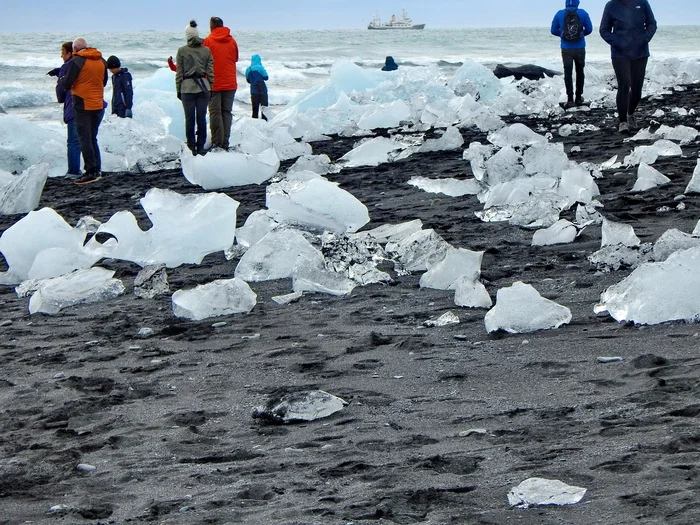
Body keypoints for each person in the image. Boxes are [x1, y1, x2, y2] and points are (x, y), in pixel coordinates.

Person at [600, 0, 657, 133]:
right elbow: (604, 30)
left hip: (640, 52)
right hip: (620, 53)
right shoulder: (611, 5)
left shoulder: (642, 3)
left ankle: (630, 114)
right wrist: (618, 42)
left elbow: (652, 24)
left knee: (637, 89)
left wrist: (644, 39)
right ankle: (623, 122)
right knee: (624, 84)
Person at [60, 37, 107, 185]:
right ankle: (97, 169)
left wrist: (61, 78)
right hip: (98, 103)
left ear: (75, 49)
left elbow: (67, 84)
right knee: (92, 138)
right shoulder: (101, 60)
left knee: (84, 138)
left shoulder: (76, 61)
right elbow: (104, 82)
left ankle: (90, 172)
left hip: (82, 103)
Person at [175, 20, 214, 155]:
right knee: (201, 118)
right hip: (204, 88)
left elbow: (179, 73)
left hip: (187, 89)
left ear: (187, 36)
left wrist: (178, 89)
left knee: (189, 119)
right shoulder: (206, 50)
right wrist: (211, 87)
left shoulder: (181, 51)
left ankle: (191, 147)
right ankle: (201, 147)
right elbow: (210, 71)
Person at [203, 16, 239, 150]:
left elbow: (203, 62)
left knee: (215, 113)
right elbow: (235, 58)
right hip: (230, 82)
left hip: (213, 83)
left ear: (211, 27)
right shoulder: (232, 41)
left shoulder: (208, 41)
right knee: (226, 112)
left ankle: (217, 143)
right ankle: (225, 143)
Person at [551, 0, 593, 109]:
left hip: (566, 48)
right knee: (580, 72)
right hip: (580, 47)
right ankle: (578, 98)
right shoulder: (583, 13)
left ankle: (570, 99)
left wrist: (563, 34)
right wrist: (580, 34)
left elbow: (553, 30)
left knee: (567, 73)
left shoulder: (559, 13)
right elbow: (589, 29)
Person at [47, 41, 81, 178]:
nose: (61, 56)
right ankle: (92, 169)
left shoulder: (67, 66)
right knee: (88, 140)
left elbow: (61, 92)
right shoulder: (83, 63)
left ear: (70, 53)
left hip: (73, 107)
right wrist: (58, 71)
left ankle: (73, 172)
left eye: (62, 53)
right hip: (90, 107)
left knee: (73, 141)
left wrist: (60, 73)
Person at [245, 54, 269, 120]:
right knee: (264, 109)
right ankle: (264, 125)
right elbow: (266, 77)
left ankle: (254, 125)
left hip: (253, 91)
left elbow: (248, 80)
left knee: (255, 110)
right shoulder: (261, 68)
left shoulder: (248, 69)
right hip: (262, 90)